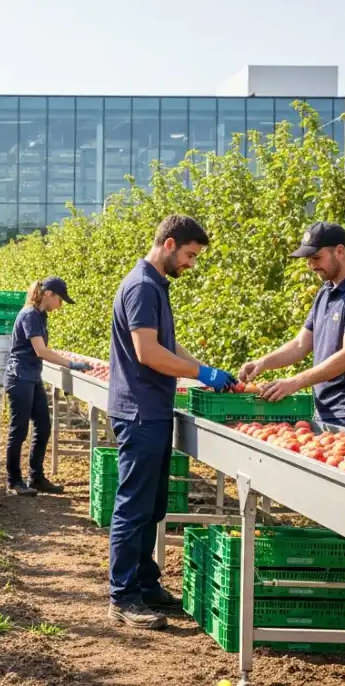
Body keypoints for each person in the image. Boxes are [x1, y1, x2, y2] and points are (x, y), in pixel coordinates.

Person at [238, 220, 345, 599]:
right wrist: (264, 363)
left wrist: (295, 383)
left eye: (317, 258)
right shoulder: (326, 293)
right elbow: (299, 345)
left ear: (340, 251)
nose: (312, 265)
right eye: (308, 260)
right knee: (335, 508)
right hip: (326, 411)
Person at [106, 214, 236, 630]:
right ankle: (123, 596)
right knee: (134, 505)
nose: (191, 264)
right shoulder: (142, 286)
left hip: (154, 409)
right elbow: (149, 353)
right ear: (170, 244)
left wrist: (208, 369)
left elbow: (168, 346)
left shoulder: (155, 285)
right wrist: (200, 375)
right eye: (190, 255)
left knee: (152, 506)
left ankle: (144, 583)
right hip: (140, 410)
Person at [2, 276, 91, 497]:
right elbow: (41, 350)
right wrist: (70, 364)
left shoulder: (40, 315)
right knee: (19, 429)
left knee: (43, 425)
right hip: (19, 377)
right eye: (60, 300)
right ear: (49, 294)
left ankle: (36, 477)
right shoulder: (30, 314)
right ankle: (13, 480)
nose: (60, 306)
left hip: (31, 376)